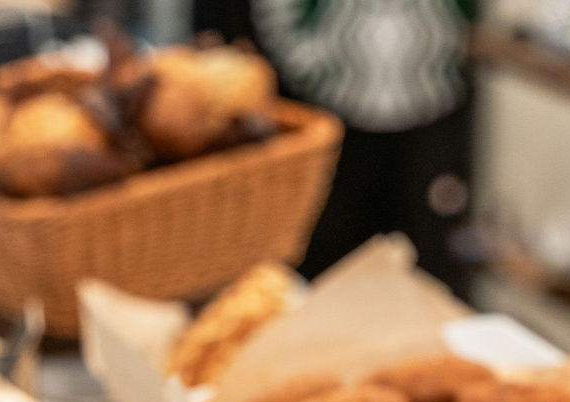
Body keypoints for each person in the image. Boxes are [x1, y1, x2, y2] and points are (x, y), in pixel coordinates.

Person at [192, 0, 478, 292]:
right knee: (321, 256)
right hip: (319, 113)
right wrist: (304, 63)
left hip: (432, 108)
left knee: (428, 260)